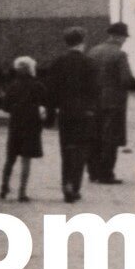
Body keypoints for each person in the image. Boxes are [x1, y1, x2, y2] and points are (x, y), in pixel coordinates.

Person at [42, 26, 99, 203]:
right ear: (83, 41)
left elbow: (50, 92)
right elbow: (96, 91)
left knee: (67, 149)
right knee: (81, 150)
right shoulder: (90, 63)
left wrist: (50, 115)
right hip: (85, 114)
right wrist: (93, 111)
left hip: (66, 113)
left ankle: (66, 183)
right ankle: (75, 186)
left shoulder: (58, 62)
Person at [85, 22, 135, 184]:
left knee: (94, 136)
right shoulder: (119, 54)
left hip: (94, 100)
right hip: (113, 102)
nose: (125, 41)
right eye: (124, 37)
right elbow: (126, 79)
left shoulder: (92, 51)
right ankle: (106, 174)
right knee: (110, 138)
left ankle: (93, 172)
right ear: (118, 37)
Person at [0, 55, 48, 202]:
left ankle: (4, 186)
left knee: (10, 158)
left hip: (16, 125)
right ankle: (22, 192)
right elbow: (44, 103)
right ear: (31, 69)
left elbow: (5, 107)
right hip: (31, 125)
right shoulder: (37, 85)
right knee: (26, 160)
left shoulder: (12, 86)